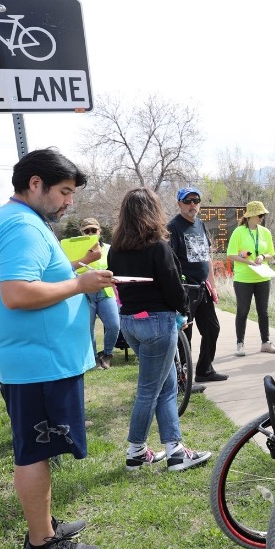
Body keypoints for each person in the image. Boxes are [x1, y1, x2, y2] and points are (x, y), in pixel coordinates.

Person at [0, 147, 110, 549]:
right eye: (64, 192)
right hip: (37, 363)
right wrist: (80, 285)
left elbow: (35, 276)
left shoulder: (14, 220)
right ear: (36, 185)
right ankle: (41, 543)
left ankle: (45, 525)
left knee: (40, 448)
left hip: (34, 360)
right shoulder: (22, 227)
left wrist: (70, 273)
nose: (70, 202)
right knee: (33, 450)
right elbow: (17, 293)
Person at [108, 188, 212, 472]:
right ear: (153, 212)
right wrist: (184, 311)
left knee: (166, 387)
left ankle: (175, 450)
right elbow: (173, 287)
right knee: (148, 391)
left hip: (130, 323)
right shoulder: (158, 246)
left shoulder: (116, 248)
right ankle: (136, 450)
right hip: (157, 323)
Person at [167, 187, 227, 384]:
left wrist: (213, 284)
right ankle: (184, 378)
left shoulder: (200, 224)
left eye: (196, 200)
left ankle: (204, 370)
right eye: (187, 201)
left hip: (203, 288)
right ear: (179, 204)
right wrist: (176, 289)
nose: (192, 204)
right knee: (186, 332)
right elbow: (170, 262)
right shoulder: (173, 227)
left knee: (212, 328)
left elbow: (206, 257)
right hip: (186, 288)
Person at [67, 217, 120, 370]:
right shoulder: (74, 251)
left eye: (93, 230)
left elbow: (115, 268)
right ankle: (94, 358)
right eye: (87, 231)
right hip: (85, 293)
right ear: (81, 232)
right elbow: (69, 269)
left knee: (114, 325)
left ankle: (107, 354)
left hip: (105, 292)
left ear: (99, 231)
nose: (90, 233)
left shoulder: (109, 249)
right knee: (88, 328)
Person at [226, 200, 275, 356]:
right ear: (251, 216)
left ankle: (265, 342)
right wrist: (247, 261)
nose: (262, 217)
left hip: (262, 277)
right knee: (243, 311)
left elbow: (271, 253)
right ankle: (240, 344)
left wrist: (262, 256)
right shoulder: (239, 232)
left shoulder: (265, 232)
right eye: (260, 215)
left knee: (264, 311)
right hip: (243, 279)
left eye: (263, 215)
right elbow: (231, 254)